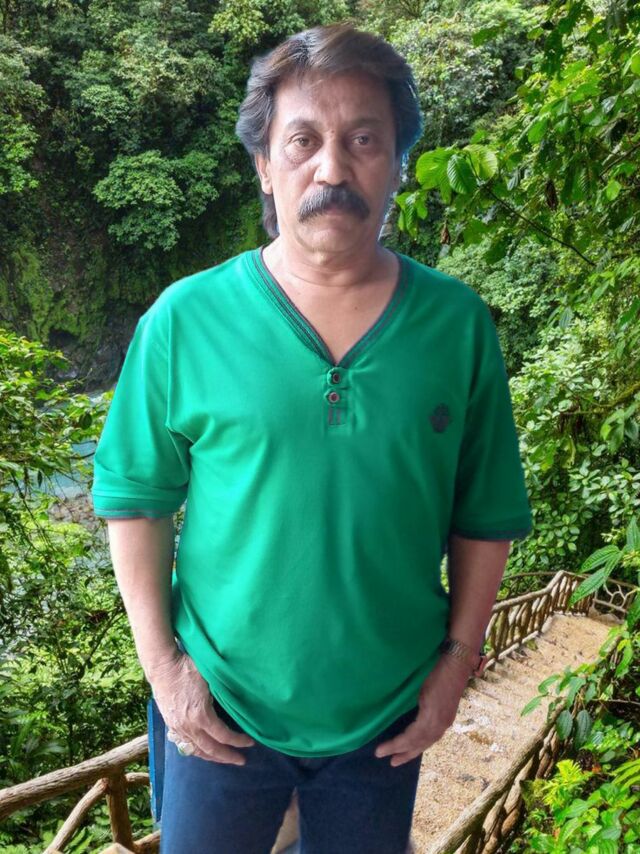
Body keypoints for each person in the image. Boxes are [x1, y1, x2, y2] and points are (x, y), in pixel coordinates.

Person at [91, 21, 533, 854]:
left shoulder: (457, 326)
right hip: (219, 707)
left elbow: (484, 514)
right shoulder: (186, 319)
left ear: (398, 161)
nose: (332, 169)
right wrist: (166, 671)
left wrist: (455, 666)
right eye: (302, 141)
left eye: (364, 140)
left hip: (387, 714)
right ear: (265, 164)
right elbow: (135, 502)